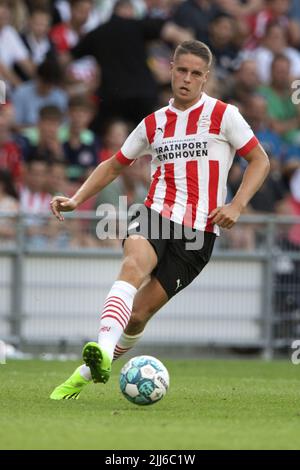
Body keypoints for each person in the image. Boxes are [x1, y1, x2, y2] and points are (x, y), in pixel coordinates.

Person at [49, 40, 270, 400]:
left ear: (206, 78)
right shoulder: (153, 123)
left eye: (195, 73)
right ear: (170, 69)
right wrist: (77, 198)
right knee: (132, 265)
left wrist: (238, 204)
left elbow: (260, 161)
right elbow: (113, 164)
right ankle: (103, 349)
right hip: (155, 214)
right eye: (181, 70)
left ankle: (86, 372)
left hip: (198, 234)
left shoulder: (224, 115)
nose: (186, 79)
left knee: (137, 317)